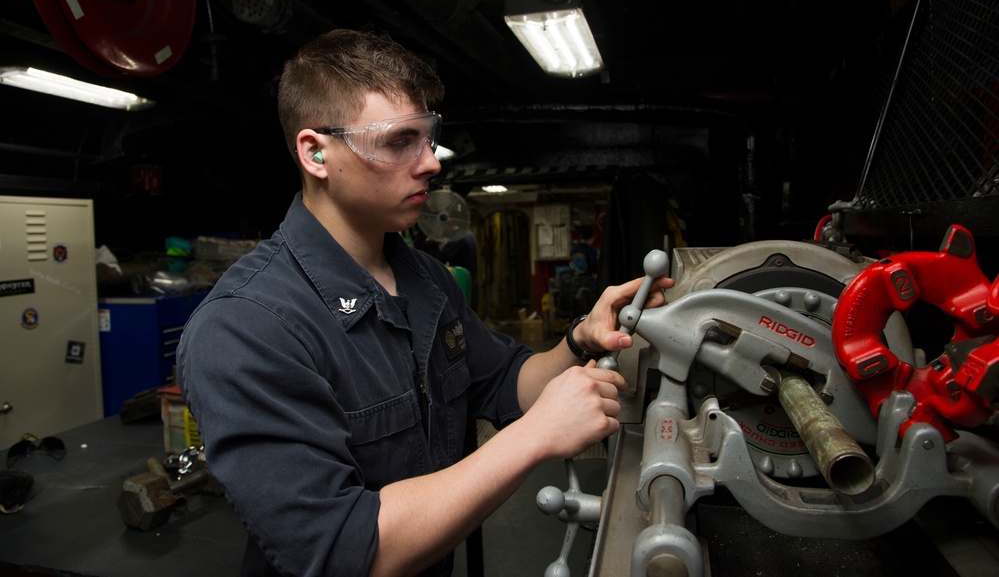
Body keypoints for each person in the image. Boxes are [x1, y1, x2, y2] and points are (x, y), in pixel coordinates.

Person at [176, 29, 672, 577]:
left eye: (427, 137)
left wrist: (579, 339)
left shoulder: (424, 277)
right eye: (397, 141)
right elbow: (342, 548)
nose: (431, 163)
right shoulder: (246, 327)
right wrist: (535, 438)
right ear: (316, 152)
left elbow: (505, 381)